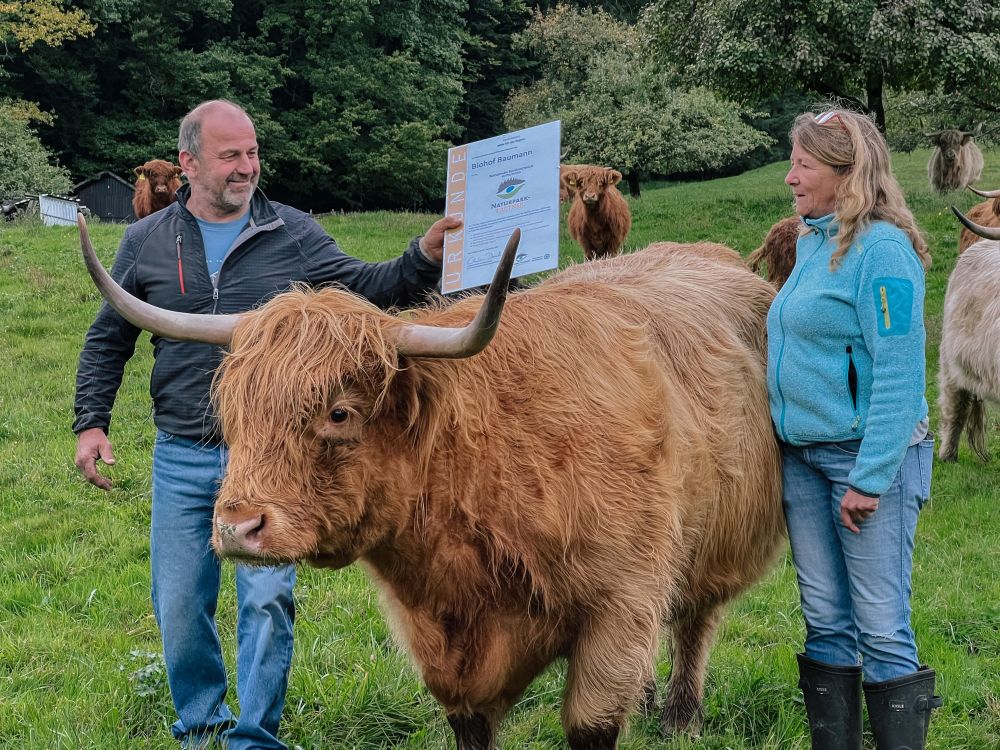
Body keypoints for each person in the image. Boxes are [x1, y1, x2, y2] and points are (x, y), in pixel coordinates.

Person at [73, 99, 459, 750]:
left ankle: (254, 738)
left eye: (252, 153)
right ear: (189, 162)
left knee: (265, 599)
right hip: (181, 451)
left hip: (279, 453)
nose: (247, 167)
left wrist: (420, 255)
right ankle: (201, 724)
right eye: (231, 156)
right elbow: (110, 337)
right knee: (179, 601)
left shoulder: (293, 233)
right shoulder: (146, 241)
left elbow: (370, 289)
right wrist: (91, 423)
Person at [768, 108, 941, 750]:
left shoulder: (883, 252)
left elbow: (900, 374)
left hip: (866, 463)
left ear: (848, 174)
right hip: (806, 461)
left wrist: (869, 479)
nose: (790, 177)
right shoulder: (815, 239)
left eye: (804, 165)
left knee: (880, 625)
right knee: (826, 621)